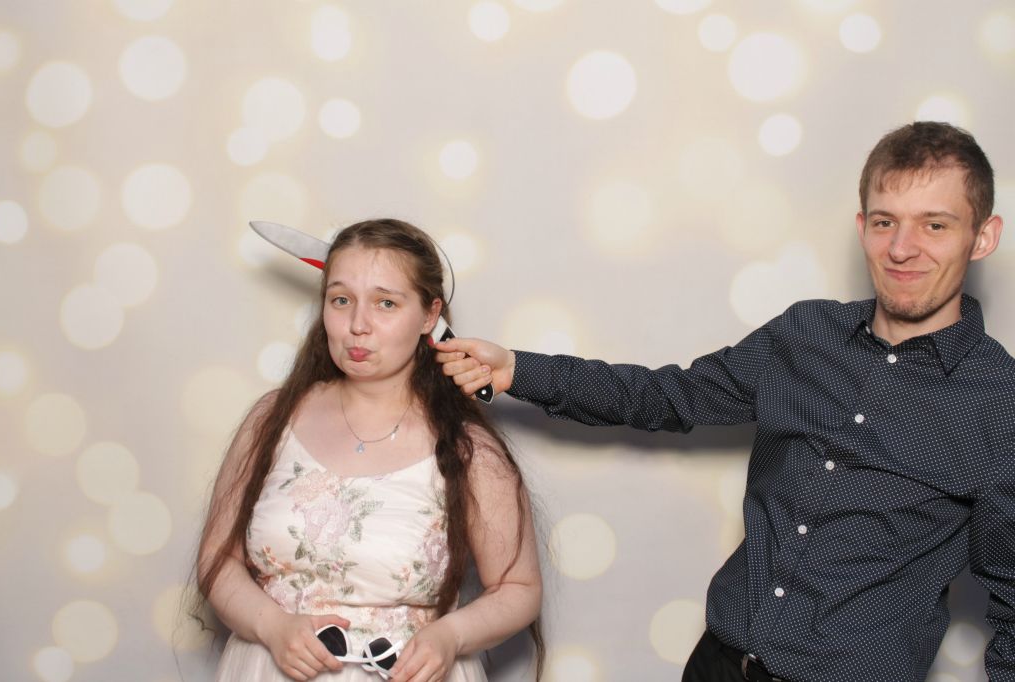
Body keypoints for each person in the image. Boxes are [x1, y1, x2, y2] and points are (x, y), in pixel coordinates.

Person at [434, 122, 1014, 681]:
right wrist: (519, 370)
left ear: (983, 236)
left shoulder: (999, 404)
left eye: (935, 225)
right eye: (886, 222)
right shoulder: (805, 335)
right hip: (718, 664)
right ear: (863, 227)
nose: (902, 248)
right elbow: (669, 397)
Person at [196, 219, 543, 682]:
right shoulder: (272, 419)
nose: (358, 325)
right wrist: (272, 626)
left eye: (386, 303)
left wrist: (451, 636)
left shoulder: (469, 449)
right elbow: (217, 559)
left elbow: (519, 587)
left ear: (429, 316)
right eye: (341, 300)